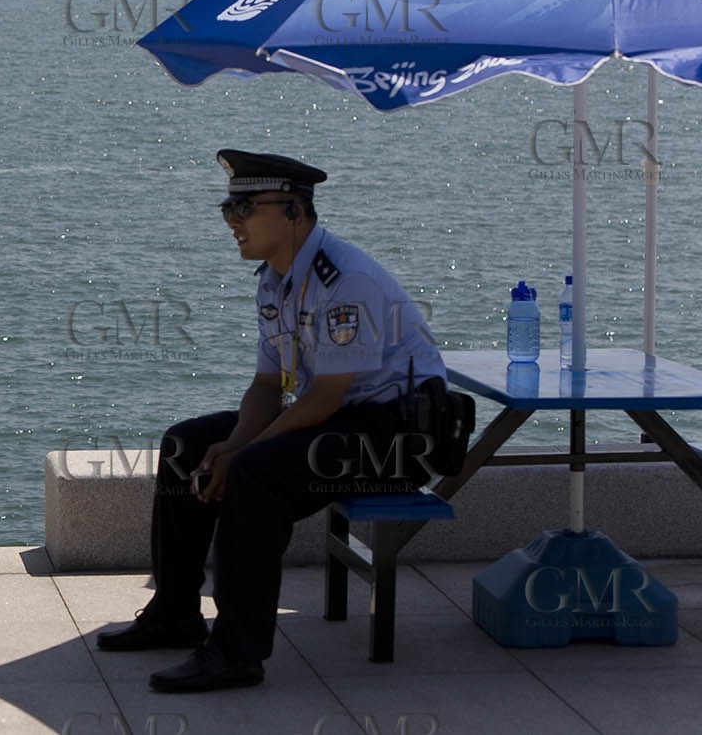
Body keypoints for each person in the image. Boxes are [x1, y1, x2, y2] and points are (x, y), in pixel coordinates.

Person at [97, 149, 446, 693]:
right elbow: (268, 386)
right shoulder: (275, 281)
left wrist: (242, 452)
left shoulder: (345, 281)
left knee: (254, 473)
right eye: (227, 210)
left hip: (399, 437)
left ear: (293, 213)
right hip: (342, 419)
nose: (233, 222)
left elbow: (324, 398)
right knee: (186, 445)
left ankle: (237, 654)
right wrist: (232, 441)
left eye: (245, 209)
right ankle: (175, 613)